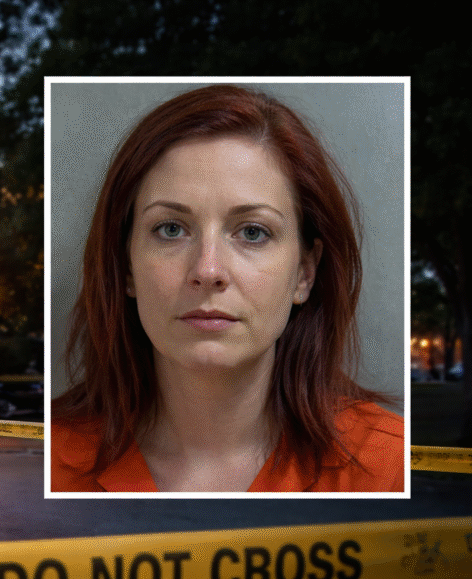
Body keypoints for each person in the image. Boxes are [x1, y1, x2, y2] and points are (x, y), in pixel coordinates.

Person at [51, 84, 403, 493]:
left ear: (304, 273)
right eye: (171, 229)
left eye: (253, 232)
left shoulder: (388, 466)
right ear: (125, 266)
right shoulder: (42, 458)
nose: (208, 270)